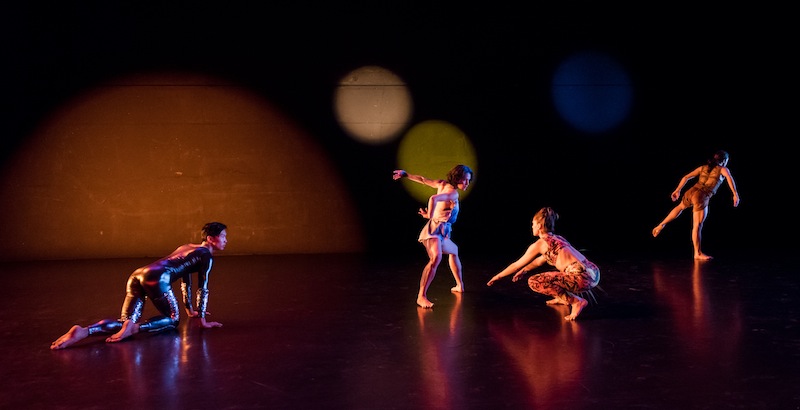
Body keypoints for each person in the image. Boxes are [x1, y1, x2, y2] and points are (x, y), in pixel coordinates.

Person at [50, 222, 228, 350]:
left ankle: (85, 331)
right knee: (173, 319)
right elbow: (202, 287)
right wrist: (203, 320)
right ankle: (136, 328)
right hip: (158, 277)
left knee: (125, 321)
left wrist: (190, 310)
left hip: (138, 274)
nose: (226, 240)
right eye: (223, 236)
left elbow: (185, 278)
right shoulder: (206, 256)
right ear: (211, 239)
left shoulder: (187, 246)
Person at [487, 207, 600, 321]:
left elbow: (516, 265)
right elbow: (540, 261)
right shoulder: (558, 238)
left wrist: (498, 276)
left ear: (539, 226)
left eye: (533, 224)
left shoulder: (541, 244)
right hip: (593, 273)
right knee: (555, 276)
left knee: (535, 281)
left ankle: (576, 302)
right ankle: (563, 298)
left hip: (581, 278)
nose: (531, 226)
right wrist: (525, 270)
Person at [392, 165, 473, 308]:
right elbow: (433, 198)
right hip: (433, 232)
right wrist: (430, 214)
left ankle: (459, 285)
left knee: (454, 251)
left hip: (442, 232)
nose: (467, 183)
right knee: (436, 258)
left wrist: (406, 175)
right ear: (458, 178)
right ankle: (421, 296)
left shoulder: (442, 184)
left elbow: (423, 180)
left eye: (469, 181)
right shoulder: (453, 193)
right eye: (465, 180)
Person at [652, 150, 740, 260]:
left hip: (691, 191)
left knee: (680, 207)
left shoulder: (702, 168)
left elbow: (686, 177)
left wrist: (677, 190)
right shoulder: (723, 170)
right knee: (697, 226)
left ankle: (662, 224)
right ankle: (697, 253)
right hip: (701, 196)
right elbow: (730, 180)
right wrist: (735, 194)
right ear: (724, 161)